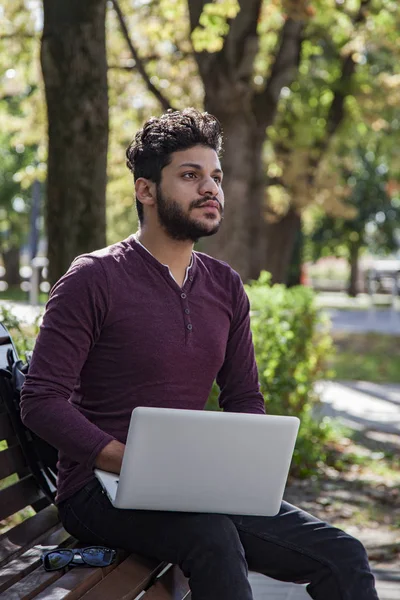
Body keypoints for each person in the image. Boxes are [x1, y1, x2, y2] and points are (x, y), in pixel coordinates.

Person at [21, 108, 378, 600]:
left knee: (342, 554)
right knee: (212, 538)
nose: (210, 188)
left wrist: (243, 468)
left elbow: (244, 397)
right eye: (190, 176)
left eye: (215, 177)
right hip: (97, 489)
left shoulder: (225, 286)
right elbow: (41, 400)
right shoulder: (93, 280)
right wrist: (128, 461)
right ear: (146, 191)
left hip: (193, 486)